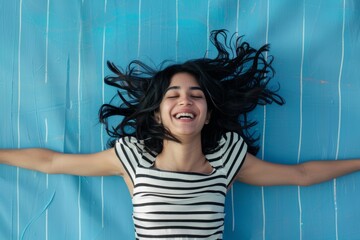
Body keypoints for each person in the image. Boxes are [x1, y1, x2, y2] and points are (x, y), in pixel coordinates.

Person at [1, 29, 360, 240]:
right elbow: (51, 161)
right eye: (172, 95)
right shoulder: (133, 157)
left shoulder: (226, 160)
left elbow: (302, 175)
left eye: (195, 95)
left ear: (206, 115)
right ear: (158, 115)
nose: (184, 100)